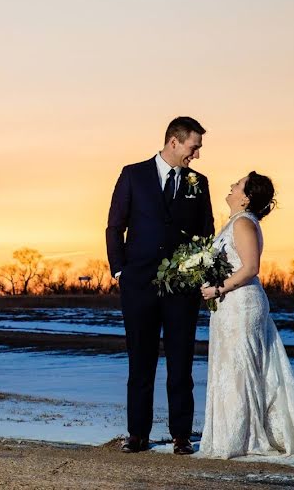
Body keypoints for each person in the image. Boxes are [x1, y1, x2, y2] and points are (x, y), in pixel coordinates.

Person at [198, 172, 294, 461]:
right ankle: (229, 434)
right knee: (229, 368)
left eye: (238, 184)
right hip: (227, 305)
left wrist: (216, 288)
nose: (232, 185)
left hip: (241, 304)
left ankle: (242, 438)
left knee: (240, 369)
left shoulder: (245, 223)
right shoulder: (234, 222)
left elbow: (250, 268)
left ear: (246, 197)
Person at [106, 116, 215, 454]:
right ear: (174, 142)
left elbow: (206, 232)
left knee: (181, 362)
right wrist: (120, 271)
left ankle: (181, 434)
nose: (195, 155)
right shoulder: (133, 174)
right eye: (193, 148)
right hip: (137, 285)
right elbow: (114, 226)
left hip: (181, 289)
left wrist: (198, 271)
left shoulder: (198, 182)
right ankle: (137, 434)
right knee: (140, 361)